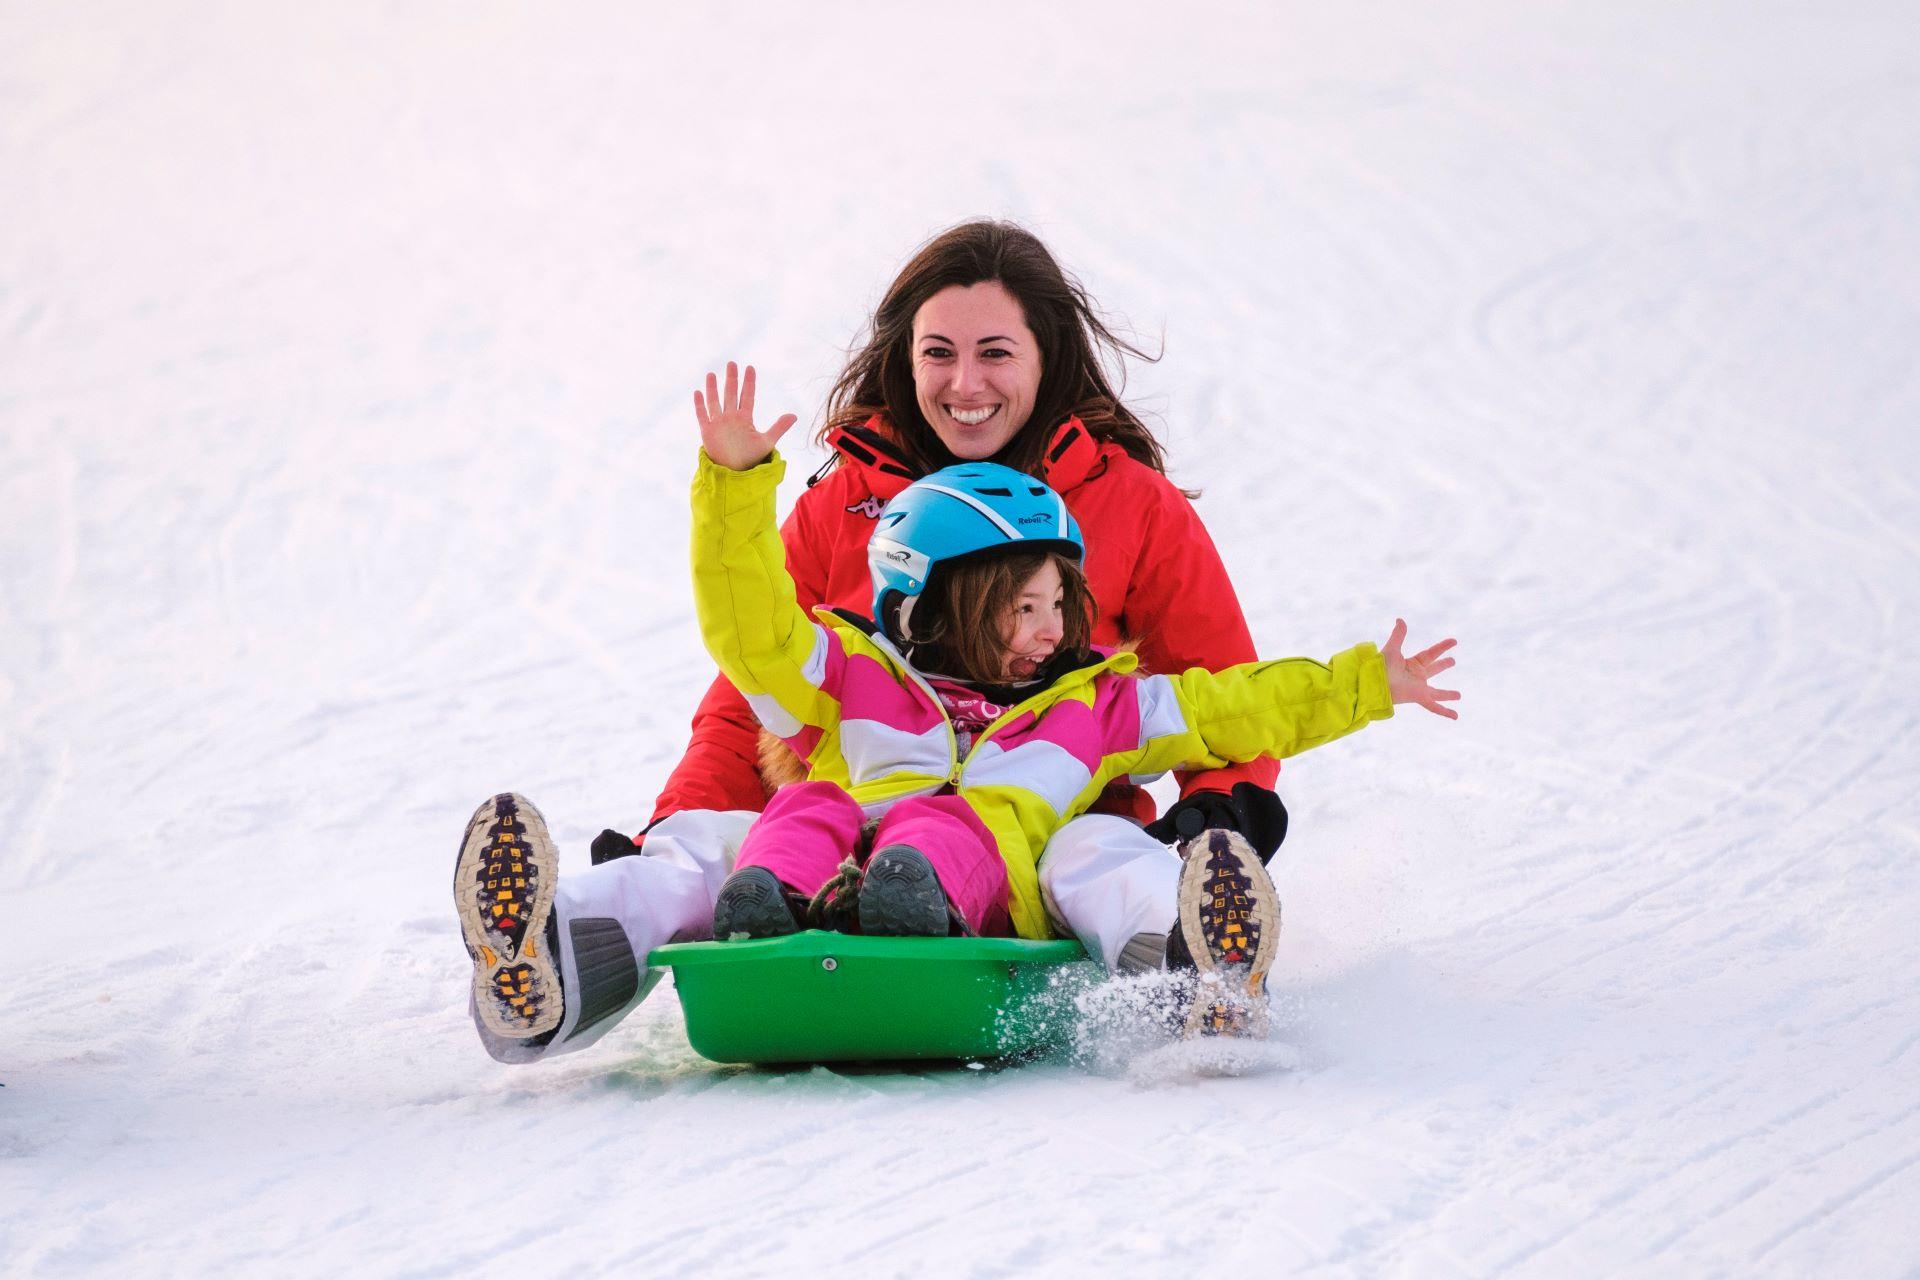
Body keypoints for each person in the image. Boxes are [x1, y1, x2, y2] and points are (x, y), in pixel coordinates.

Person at [456, 222, 1323, 1061]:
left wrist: (1224, 810)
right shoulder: (846, 504)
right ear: (906, 359)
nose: (964, 382)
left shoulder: (1127, 503)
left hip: (1034, 835)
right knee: (700, 852)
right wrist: (680, 816)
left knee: (1099, 858)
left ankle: (1201, 976)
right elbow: (751, 693)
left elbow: (1218, 692)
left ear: (1045, 355)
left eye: (995, 352)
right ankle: (550, 963)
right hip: (833, 829)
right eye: (938, 352)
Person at [679, 397, 1459, 1033]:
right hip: (833, 884)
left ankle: (1201, 969)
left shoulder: (1096, 704)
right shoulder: (855, 673)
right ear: (943, 608)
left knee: (945, 822)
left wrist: (1365, 685)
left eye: (1059, 603)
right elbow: (754, 633)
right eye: (1025, 608)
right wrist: (734, 486)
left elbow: (1235, 704)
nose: (1054, 630)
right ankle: (765, 908)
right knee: (806, 802)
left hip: (978, 893)